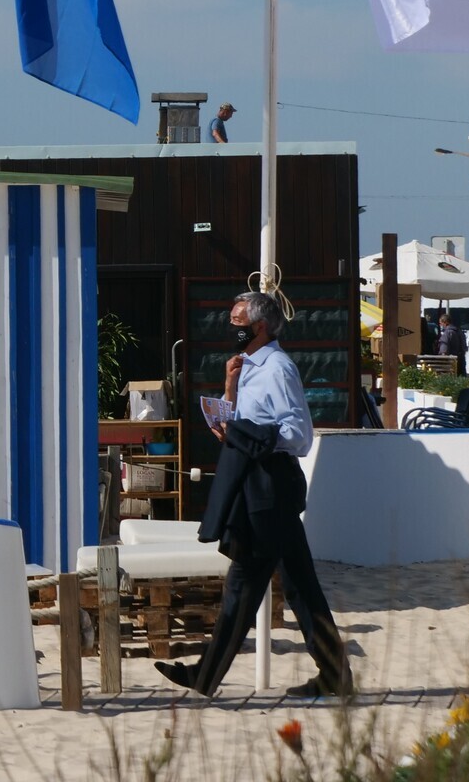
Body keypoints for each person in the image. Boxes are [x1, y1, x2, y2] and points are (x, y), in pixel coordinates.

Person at [157, 290, 352, 699]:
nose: (231, 327)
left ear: (259, 326)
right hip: (257, 486)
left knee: (243, 584)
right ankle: (334, 673)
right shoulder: (245, 366)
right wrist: (229, 390)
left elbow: (298, 435)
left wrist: (246, 435)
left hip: (269, 487)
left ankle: (206, 676)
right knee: (299, 585)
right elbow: (240, 421)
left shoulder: (277, 368)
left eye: (237, 321)